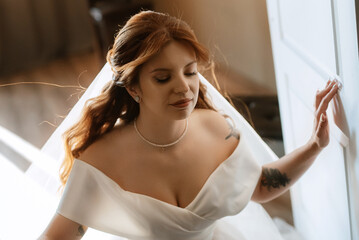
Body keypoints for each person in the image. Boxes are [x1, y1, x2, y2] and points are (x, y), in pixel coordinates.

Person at [38, 10, 339, 240]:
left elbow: (259, 186)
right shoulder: (100, 160)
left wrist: (315, 145)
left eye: (190, 72)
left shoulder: (218, 129)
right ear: (133, 88)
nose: (184, 88)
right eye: (163, 77)